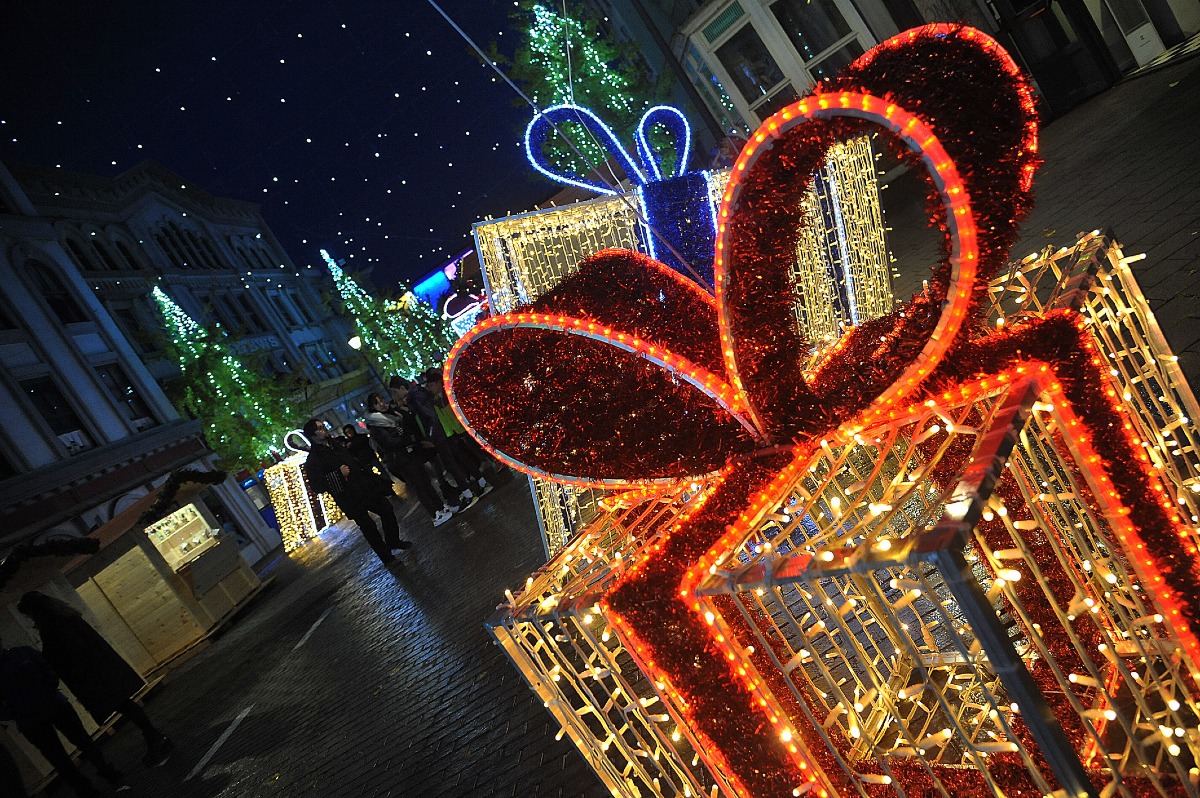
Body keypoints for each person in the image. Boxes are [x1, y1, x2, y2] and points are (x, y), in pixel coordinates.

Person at [16, 592, 173, 771]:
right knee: (126, 705)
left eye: (29, 614)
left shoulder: (53, 624)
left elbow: (73, 651)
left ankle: (154, 737)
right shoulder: (64, 615)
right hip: (101, 671)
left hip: (94, 677)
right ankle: (154, 737)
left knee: (125, 706)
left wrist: (71, 671)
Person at [1, 632, 125, 797]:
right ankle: (89, 784)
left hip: (44, 712)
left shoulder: (22, 653)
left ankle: (99, 775)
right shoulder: (23, 654)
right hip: (38, 715)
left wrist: (20, 710)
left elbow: (47, 668)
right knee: (64, 754)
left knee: (76, 745)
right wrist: (20, 711)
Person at [302, 418, 411, 564]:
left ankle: (393, 540)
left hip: (364, 487)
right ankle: (386, 557)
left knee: (387, 509)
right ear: (312, 435)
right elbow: (317, 486)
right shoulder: (314, 460)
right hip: (348, 497)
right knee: (368, 527)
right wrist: (338, 475)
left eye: (323, 426)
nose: (324, 429)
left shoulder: (336, 445)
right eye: (320, 428)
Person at [390, 376, 491, 508]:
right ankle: (482, 483)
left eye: (395, 392)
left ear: (402, 388)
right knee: (460, 457)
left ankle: (468, 495)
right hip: (445, 429)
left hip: (439, 434)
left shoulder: (414, 397)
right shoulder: (419, 392)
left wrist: (430, 437)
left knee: (451, 465)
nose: (395, 395)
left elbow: (429, 416)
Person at [365, 393, 460, 527]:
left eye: (381, 400)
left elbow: (406, 427)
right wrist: (407, 438)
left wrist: (407, 436)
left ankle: (440, 507)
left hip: (411, 453)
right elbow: (389, 443)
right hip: (400, 459)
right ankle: (435, 514)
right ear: (373, 407)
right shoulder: (376, 427)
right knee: (419, 486)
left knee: (426, 482)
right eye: (377, 403)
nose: (382, 403)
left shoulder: (393, 415)